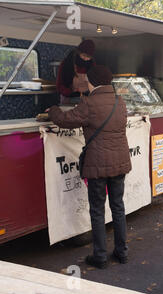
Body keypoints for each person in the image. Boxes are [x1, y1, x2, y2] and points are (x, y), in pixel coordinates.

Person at [48, 65, 131, 269]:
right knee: (118, 208)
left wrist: (53, 110)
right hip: (119, 162)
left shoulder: (90, 103)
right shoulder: (120, 102)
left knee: (97, 210)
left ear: (92, 81)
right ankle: (122, 253)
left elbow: (65, 120)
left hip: (98, 165)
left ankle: (100, 256)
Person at [56, 40, 96, 104]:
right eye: (84, 55)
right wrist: (70, 92)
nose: (86, 59)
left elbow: (95, 83)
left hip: (86, 98)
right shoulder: (67, 64)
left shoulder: (92, 65)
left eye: (89, 57)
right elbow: (59, 85)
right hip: (68, 98)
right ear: (78, 52)